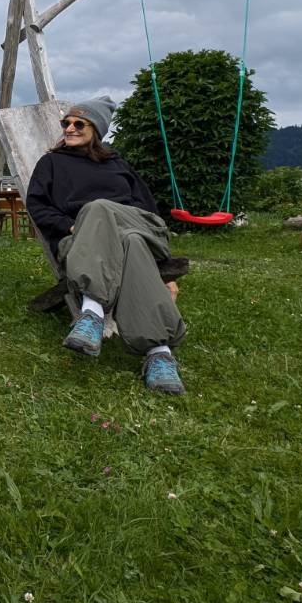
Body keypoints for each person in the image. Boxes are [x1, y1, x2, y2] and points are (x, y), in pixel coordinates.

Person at [24, 97, 186, 395]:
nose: (70, 128)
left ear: (96, 128)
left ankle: (93, 312)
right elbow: (37, 205)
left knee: (102, 210)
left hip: (139, 224)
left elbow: (147, 208)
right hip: (87, 239)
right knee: (130, 243)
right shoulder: (51, 163)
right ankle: (159, 353)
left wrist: (97, 215)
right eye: (66, 123)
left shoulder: (117, 164)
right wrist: (71, 226)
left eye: (78, 123)